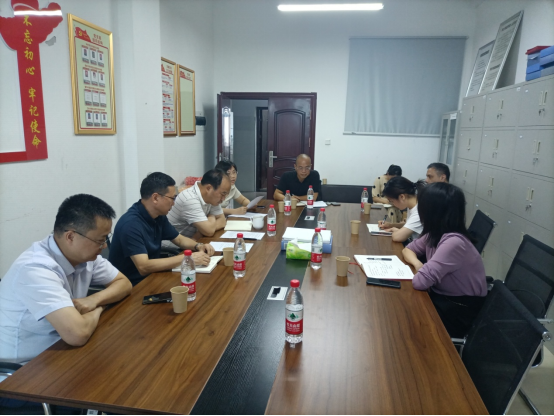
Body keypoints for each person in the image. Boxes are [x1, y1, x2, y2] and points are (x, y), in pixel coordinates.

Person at [0, 194, 132, 365]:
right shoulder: (35, 268)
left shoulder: (87, 256)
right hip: (25, 368)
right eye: (100, 240)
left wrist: (94, 299)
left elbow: (124, 283)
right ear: (70, 236)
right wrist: (100, 307)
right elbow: (78, 334)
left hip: (62, 351)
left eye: (106, 239)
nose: (104, 246)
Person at [402, 183, 487, 338]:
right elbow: (408, 249)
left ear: (431, 210)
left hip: (458, 310)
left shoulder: (454, 243)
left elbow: (420, 282)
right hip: (442, 298)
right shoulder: (436, 233)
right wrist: (418, 264)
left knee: (404, 322)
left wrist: (422, 269)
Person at [109, 172, 214, 286]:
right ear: (155, 198)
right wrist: (187, 258)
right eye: (172, 198)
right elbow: (143, 267)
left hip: (153, 276)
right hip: (133, 286)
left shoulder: (158, 216)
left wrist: (198, 246)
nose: (173, 203)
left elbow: (179, 239)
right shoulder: (130, 224)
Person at [166, 169, 231, 241]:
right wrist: (212, 216)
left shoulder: (211, 197)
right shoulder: (189, 198)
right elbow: (209, 231)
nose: (223, 199)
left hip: (193, 240)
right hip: (175, 246)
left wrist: (201, 232)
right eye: (223, 194)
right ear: (209, 188)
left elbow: (222, 221)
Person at [378, 176, 425, 243]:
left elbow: (397, 237)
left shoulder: (419, 211)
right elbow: (408, 224)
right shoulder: (412, 204)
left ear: (402, 197)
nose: (392, 204)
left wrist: (395, 230)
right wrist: (390, 225)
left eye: (392, 201)